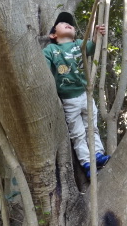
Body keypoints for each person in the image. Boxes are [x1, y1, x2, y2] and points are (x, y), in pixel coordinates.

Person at [43, 12, 110, 178]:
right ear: (53, 34)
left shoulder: (79, 43)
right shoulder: (51, 49)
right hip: (68, 100)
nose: (68, 24)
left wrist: (96, 34)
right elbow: (42, 67)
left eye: (70, 24)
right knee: (77, 132)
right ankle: (86, 162)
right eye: (63, 23)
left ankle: (98, 155)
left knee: (91, 127)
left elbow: (92, 46)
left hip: (85, 96)